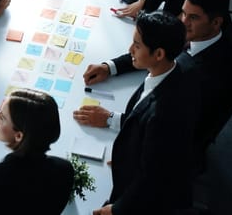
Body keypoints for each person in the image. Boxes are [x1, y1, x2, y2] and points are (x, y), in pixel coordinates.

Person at [78, 0, 232, 172]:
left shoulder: (211, 76)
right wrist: (110, 67)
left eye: (193, 17)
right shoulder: (196, 34)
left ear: (216, 23)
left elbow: (171, 130)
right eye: (184, 13)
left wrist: (112, 120)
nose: (183, 22)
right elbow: (151, 47)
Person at [84, 11, 199, 214]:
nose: (130, 50)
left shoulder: (162, 115)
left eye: (137, 45)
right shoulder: (174, 66)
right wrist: (128, 156)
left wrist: (116, 210)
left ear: (159, 54)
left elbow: (153, 178)